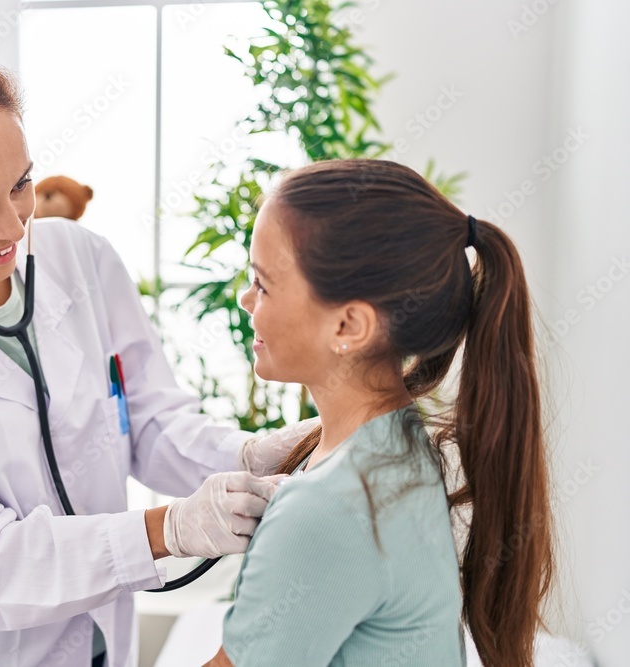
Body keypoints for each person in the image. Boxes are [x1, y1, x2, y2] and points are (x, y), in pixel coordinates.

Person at [0, 14, 311, 667]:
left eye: (20, 184)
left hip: (100, 640)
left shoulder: (81, 261)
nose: (13, 225)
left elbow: (148, 422)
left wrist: (249, 454)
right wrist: (168, 529)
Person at [204, 159, 554, 667]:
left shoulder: (329, 508)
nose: (245, 299)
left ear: (349, 326)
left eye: (263, 284)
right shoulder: (398, 441)